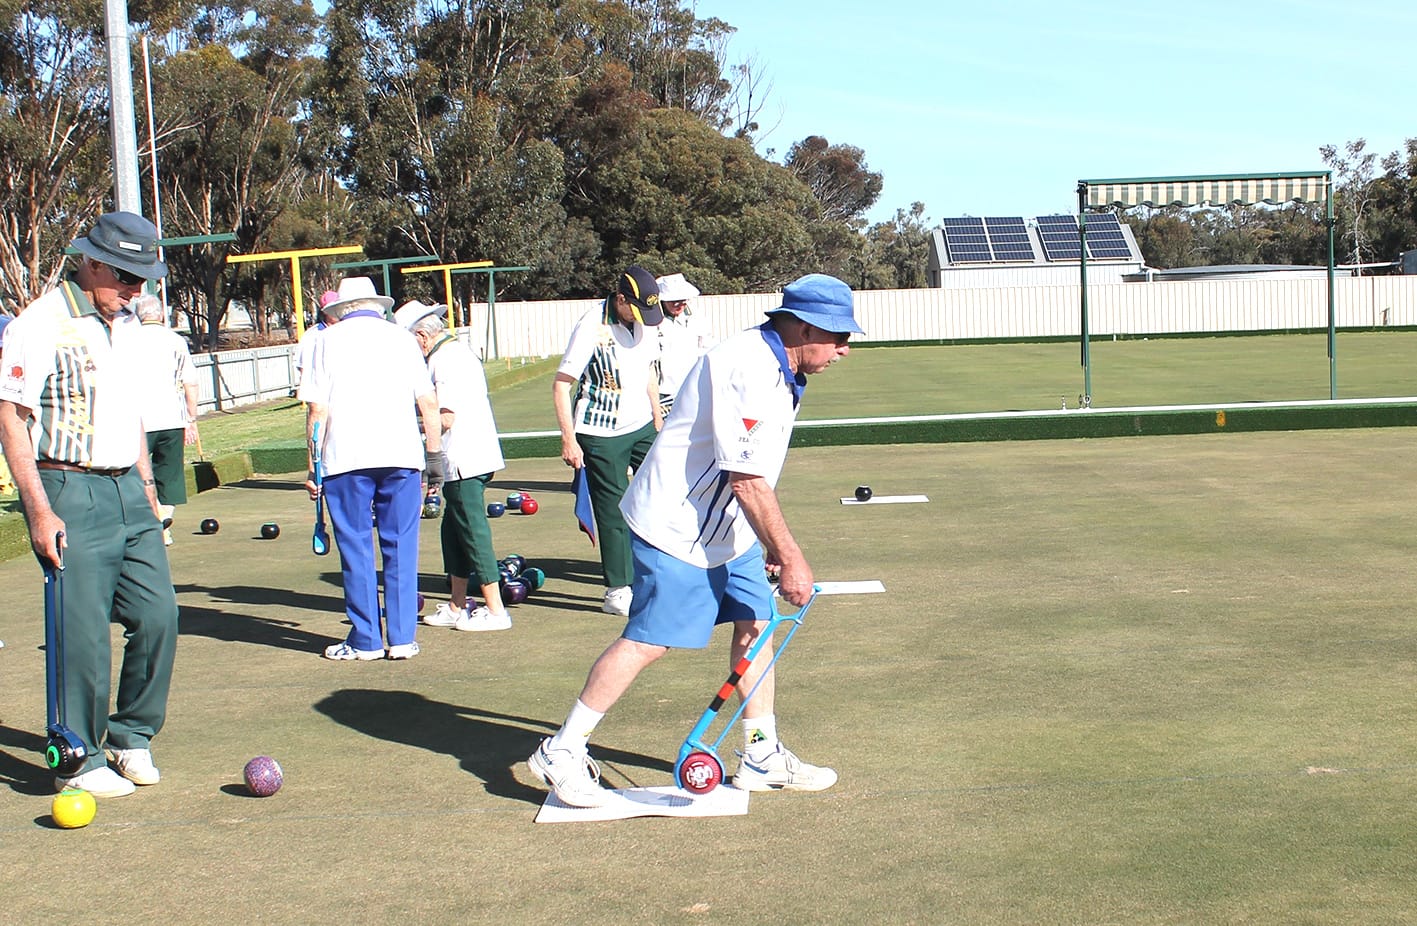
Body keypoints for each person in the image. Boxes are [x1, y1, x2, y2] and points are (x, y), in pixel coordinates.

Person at [528, 273, 861, 807]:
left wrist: (769, 545)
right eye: (838, 337)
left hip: (727, 528)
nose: (845, 349)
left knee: (756, 626)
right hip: (676, 526)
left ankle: (759, 753)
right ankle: (561, 751)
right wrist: (791, 556)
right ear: (802, 328)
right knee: (649, 640)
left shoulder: (783, 365)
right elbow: (746, 478)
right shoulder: (748, 367)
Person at [0, 210, 178, 799]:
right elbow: (11, 416)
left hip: (129, 485)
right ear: (91, 262)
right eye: (125, 276)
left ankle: (131, 735)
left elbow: (128, 416)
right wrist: (39, 511)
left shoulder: (127, 327)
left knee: (158, 616)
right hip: (68, 488)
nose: (134, 290)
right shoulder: (40, 322)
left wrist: (148, 489)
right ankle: (77, 755)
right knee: (81, 634)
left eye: (141, 279)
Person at [299, 277, 444, 660]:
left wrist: (313, 466)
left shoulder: (323, 340)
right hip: (402, 457)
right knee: (401, 546)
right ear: (377, 306)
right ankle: (401, 639)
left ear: (340, 309)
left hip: (346, 458)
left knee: (356, 547)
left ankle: (365, 640)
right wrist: (434, 459)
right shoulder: (401, 338)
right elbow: (428, 403)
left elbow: (317, 410)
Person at [552, 265, 664, 617]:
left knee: (661, 495)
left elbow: (648, 371)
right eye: (637, 309)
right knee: (613, 511)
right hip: (600, 433)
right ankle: (617, 590)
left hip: (642, 426)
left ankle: (659, 573)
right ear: (620, 300)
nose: (643, 318)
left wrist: (657, 415)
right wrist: (569, 440)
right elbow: (561, 384)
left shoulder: (643, 324)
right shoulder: (591, 325)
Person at [395, 300, 511, 632]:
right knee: (454, 531)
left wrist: (403, 423)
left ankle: (496, 609)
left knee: (473, 532)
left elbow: (444, 417)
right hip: (466, 456)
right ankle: (457, 604)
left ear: (421, 335)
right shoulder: (451, 354)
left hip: (465, 458)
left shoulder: (446, 361)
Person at [129, 293, 199, 545]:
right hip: (171, 420)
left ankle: (153, 525)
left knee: (135, 476)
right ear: (160, 314)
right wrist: (191, 419)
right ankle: (162, 523)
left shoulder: (126, 339)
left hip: (138, 422)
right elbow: (190, 382)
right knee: (169, 477)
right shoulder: (175, 340)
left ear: (138, 315)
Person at [653, 272, 713, 415]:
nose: (678, 304)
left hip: (693, 388)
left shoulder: (697, 317)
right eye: (673, 300)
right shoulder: (653, 322)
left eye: (681, 300)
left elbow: (707, 347)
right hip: (664, 392)